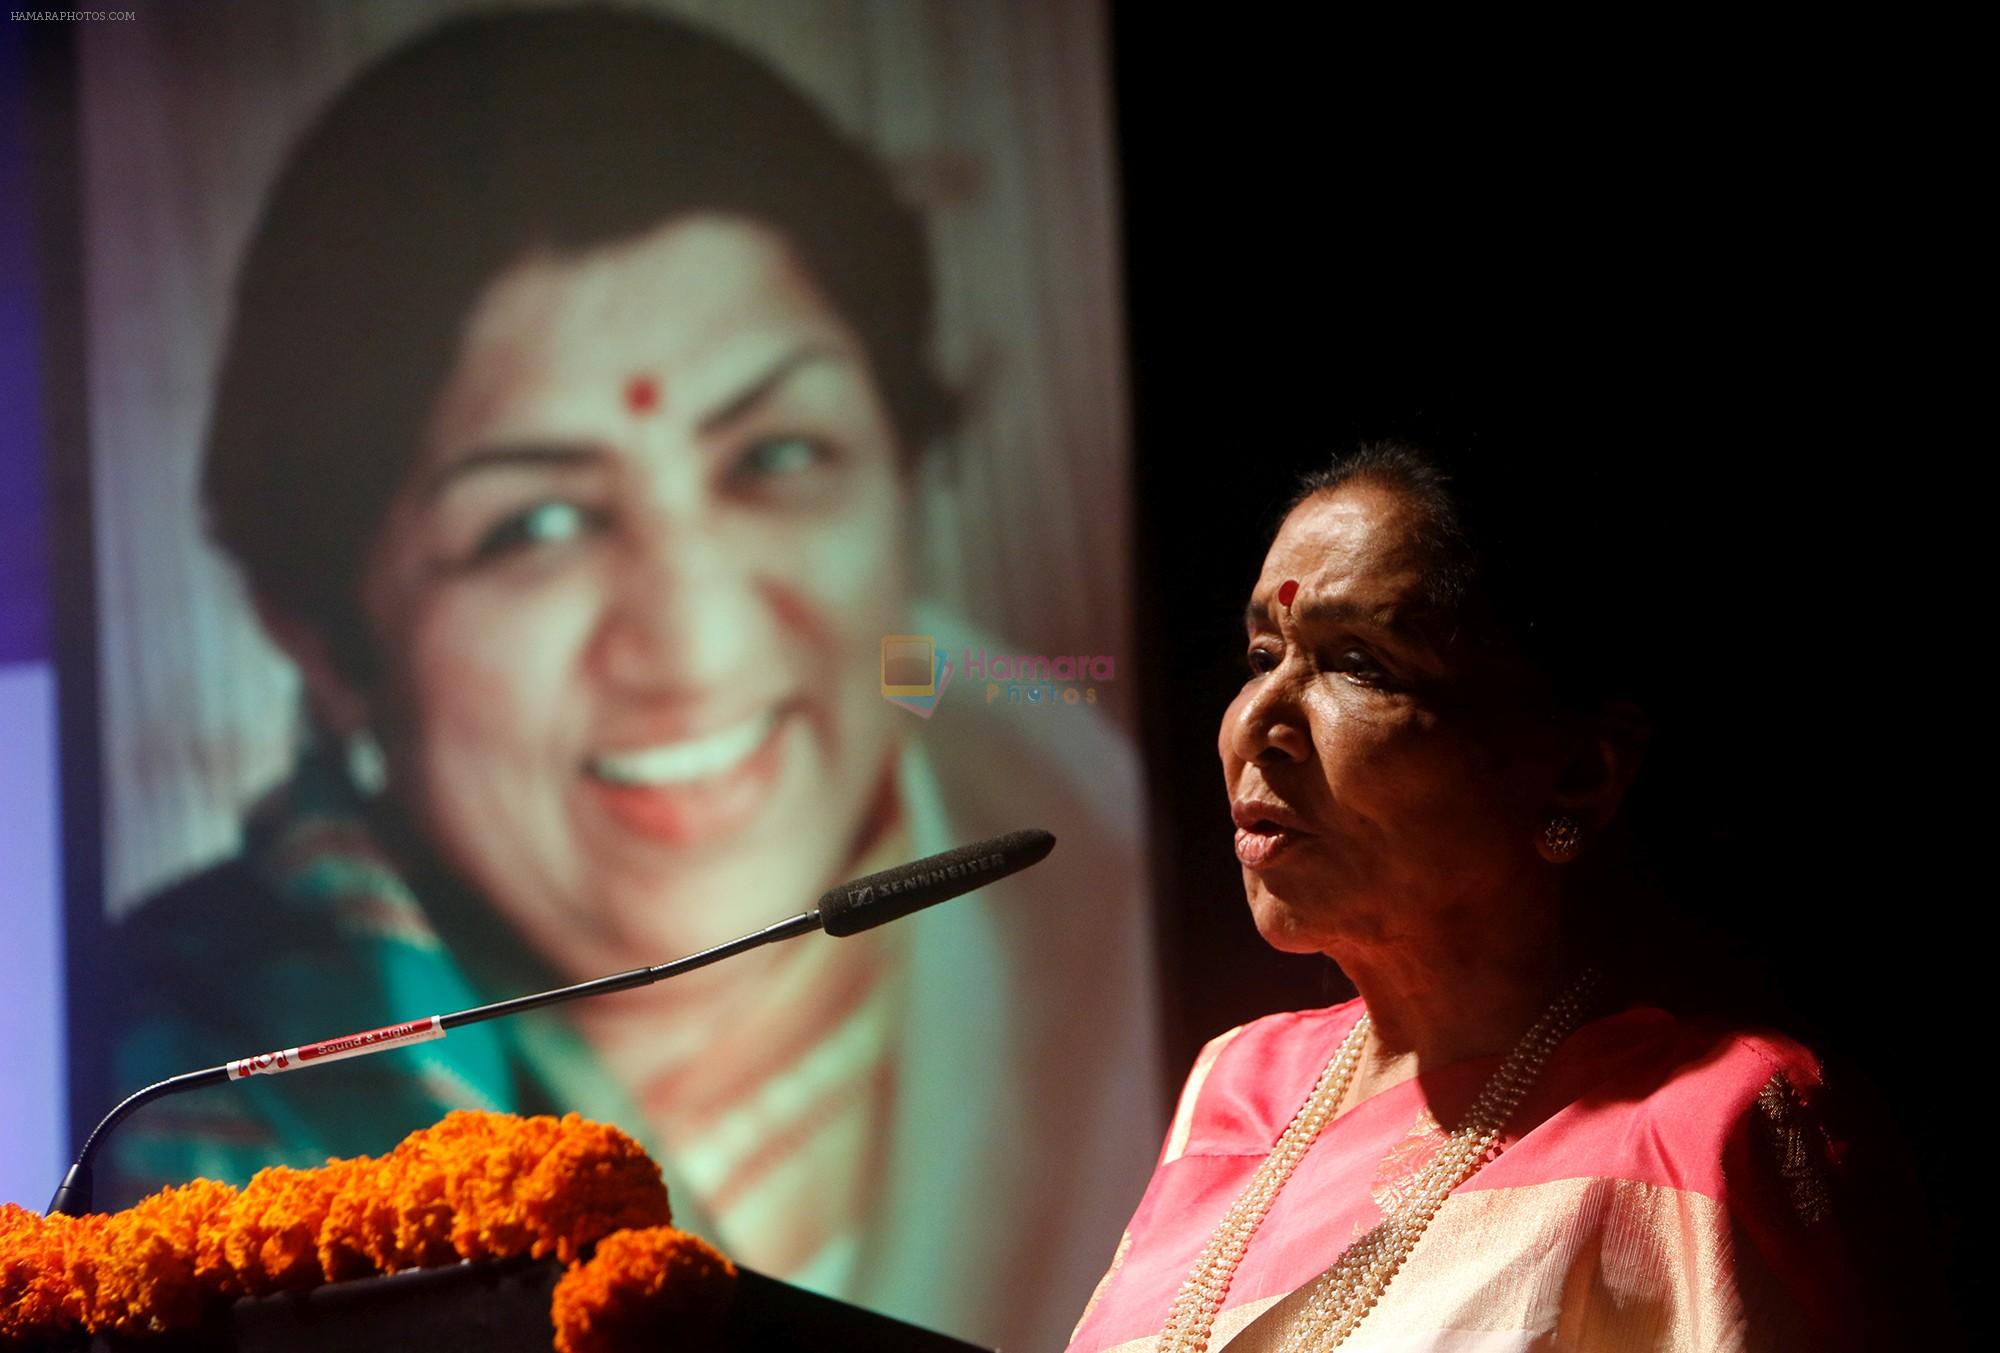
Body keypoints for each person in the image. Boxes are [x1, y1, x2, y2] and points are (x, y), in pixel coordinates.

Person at [97, 9, 1158, 1350]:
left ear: (912, 473)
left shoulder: (1165, 962)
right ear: (320, 636)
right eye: (534, 526)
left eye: (775, 458)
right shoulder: (171, 1091)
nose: (698, 644)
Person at [1064, 439, 1931, 1351]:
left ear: (1578, 775)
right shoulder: (1237, 1085)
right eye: (1261, 654)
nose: (1255, 725)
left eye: (1359, 662)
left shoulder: (1714, 1124)